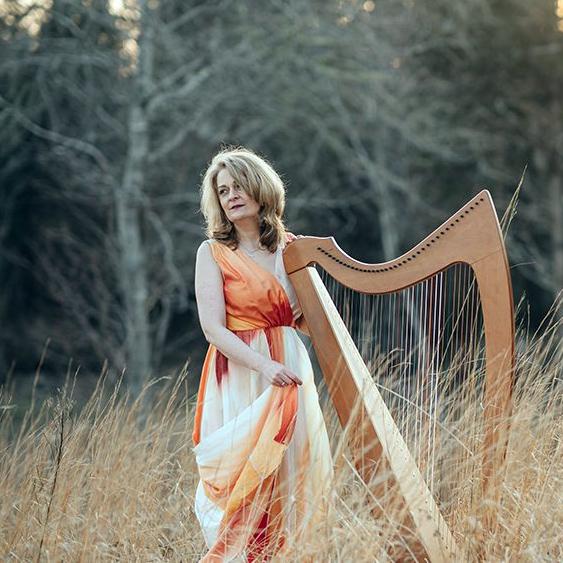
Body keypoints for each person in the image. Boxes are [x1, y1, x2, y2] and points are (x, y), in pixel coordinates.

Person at [191, 146, 334, 562]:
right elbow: (213, 328)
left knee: (290, 472)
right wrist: (264, 365)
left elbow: (303, 320)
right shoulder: (212, 252)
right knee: (247, 475)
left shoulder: (291, 250)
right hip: (242, 370)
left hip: (288, 366)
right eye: (223, 191)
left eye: (239, 186)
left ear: (260, 188)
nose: (231, 196)